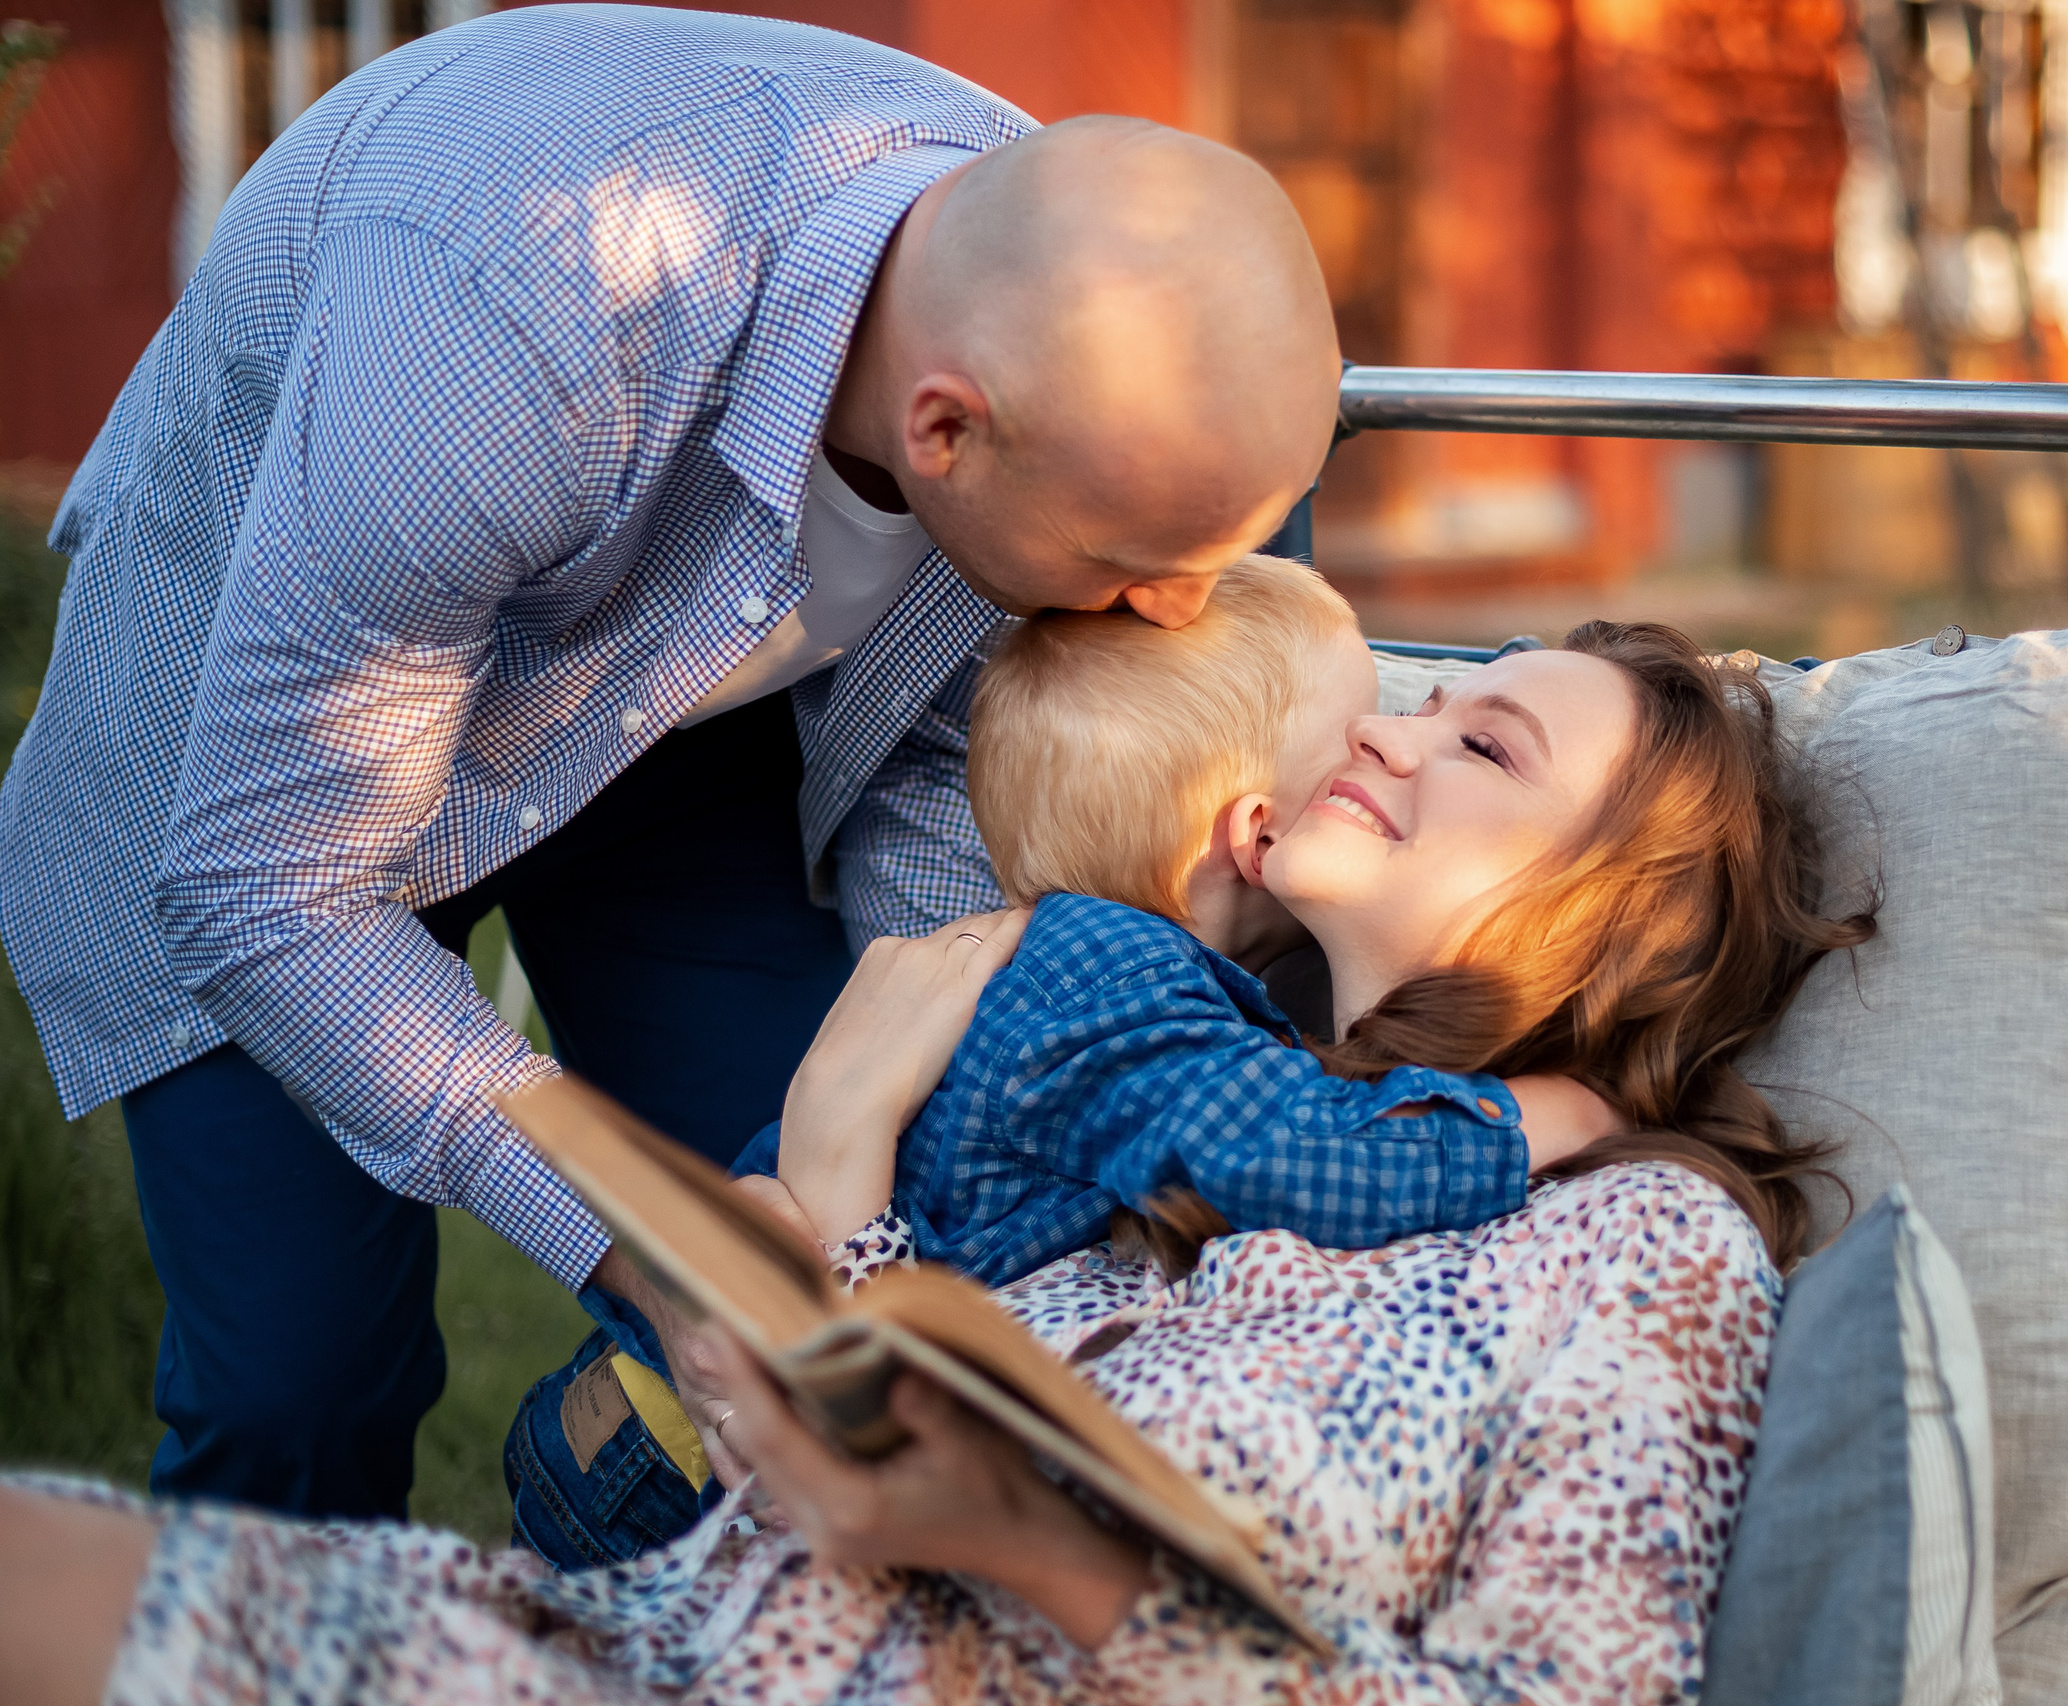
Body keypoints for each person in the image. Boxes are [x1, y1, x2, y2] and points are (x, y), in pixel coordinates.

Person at [0, 4, 1340, 1522]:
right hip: (276, 766)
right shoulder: (515, 319)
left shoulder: (1076, 316)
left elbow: (932, 771)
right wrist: (654, 1242)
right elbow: (271, 892)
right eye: (1130, 562)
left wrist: (913, 1099)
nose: (1171, 609)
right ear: (944, 428)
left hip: (679, 730)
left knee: (831, 1218)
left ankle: (650, 1605)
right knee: (296, 1386)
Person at [0, 620, 1872, 1706]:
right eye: (1417, 698)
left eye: (1482, 738)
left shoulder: (1636, 1254)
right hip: (648, 1644)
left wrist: (1041, 1552)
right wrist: (827, 1183)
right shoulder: (1178, 1080)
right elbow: (886, 1401)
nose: (1388, 724)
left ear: (1632, 921)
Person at [505, 557, 1620, 1568]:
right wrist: (1542, 1118)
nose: (1381, 744)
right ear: (1256, 833)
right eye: (1356, 733)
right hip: (672, 1464)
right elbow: (1300, 1155)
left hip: (646, 1418)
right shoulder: (1120, 986)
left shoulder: (1061, 959)